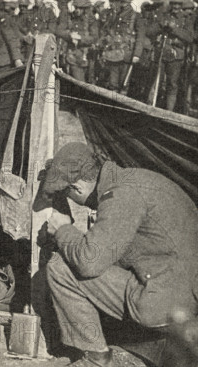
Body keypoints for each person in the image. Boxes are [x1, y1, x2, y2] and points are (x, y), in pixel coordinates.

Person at [41, 142, 198, 367]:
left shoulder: (120, 195)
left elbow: (89, 263)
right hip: (182, 291)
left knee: (60, 267)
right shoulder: (132, 180)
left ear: (76, 187)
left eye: (66, 193)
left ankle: (96, 357)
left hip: (167, 302)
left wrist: (63, 230)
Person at [145, 0, 195, 110]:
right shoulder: (164, 16)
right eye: (174, 4)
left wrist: (174, 29)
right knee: (156, 79)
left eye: (178, 4)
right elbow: (148, 32)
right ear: (171, 5)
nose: (176, 7)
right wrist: (160, 25)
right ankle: (150, 105)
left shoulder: (186, 19)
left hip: (176, 56)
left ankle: (169, 111)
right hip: (162, 52)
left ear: (181, 6)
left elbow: (190, 38)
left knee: (172, 83)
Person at [56, 0, 98, 82]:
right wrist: (70, 35)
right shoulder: (70, 17)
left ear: (85, 9)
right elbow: (59, 30)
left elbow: (95, 37)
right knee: (79, 82)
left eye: (80, 8)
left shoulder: (91, 20)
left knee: (90, 81)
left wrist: (80, 38)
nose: (77, 10)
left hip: (88, 56)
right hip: (74, 56)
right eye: (76, 7)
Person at [0, 0, 24, 76]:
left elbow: (11, 40)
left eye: (1, 10)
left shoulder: (4, 22)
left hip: (3, 63)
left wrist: (17, 59)